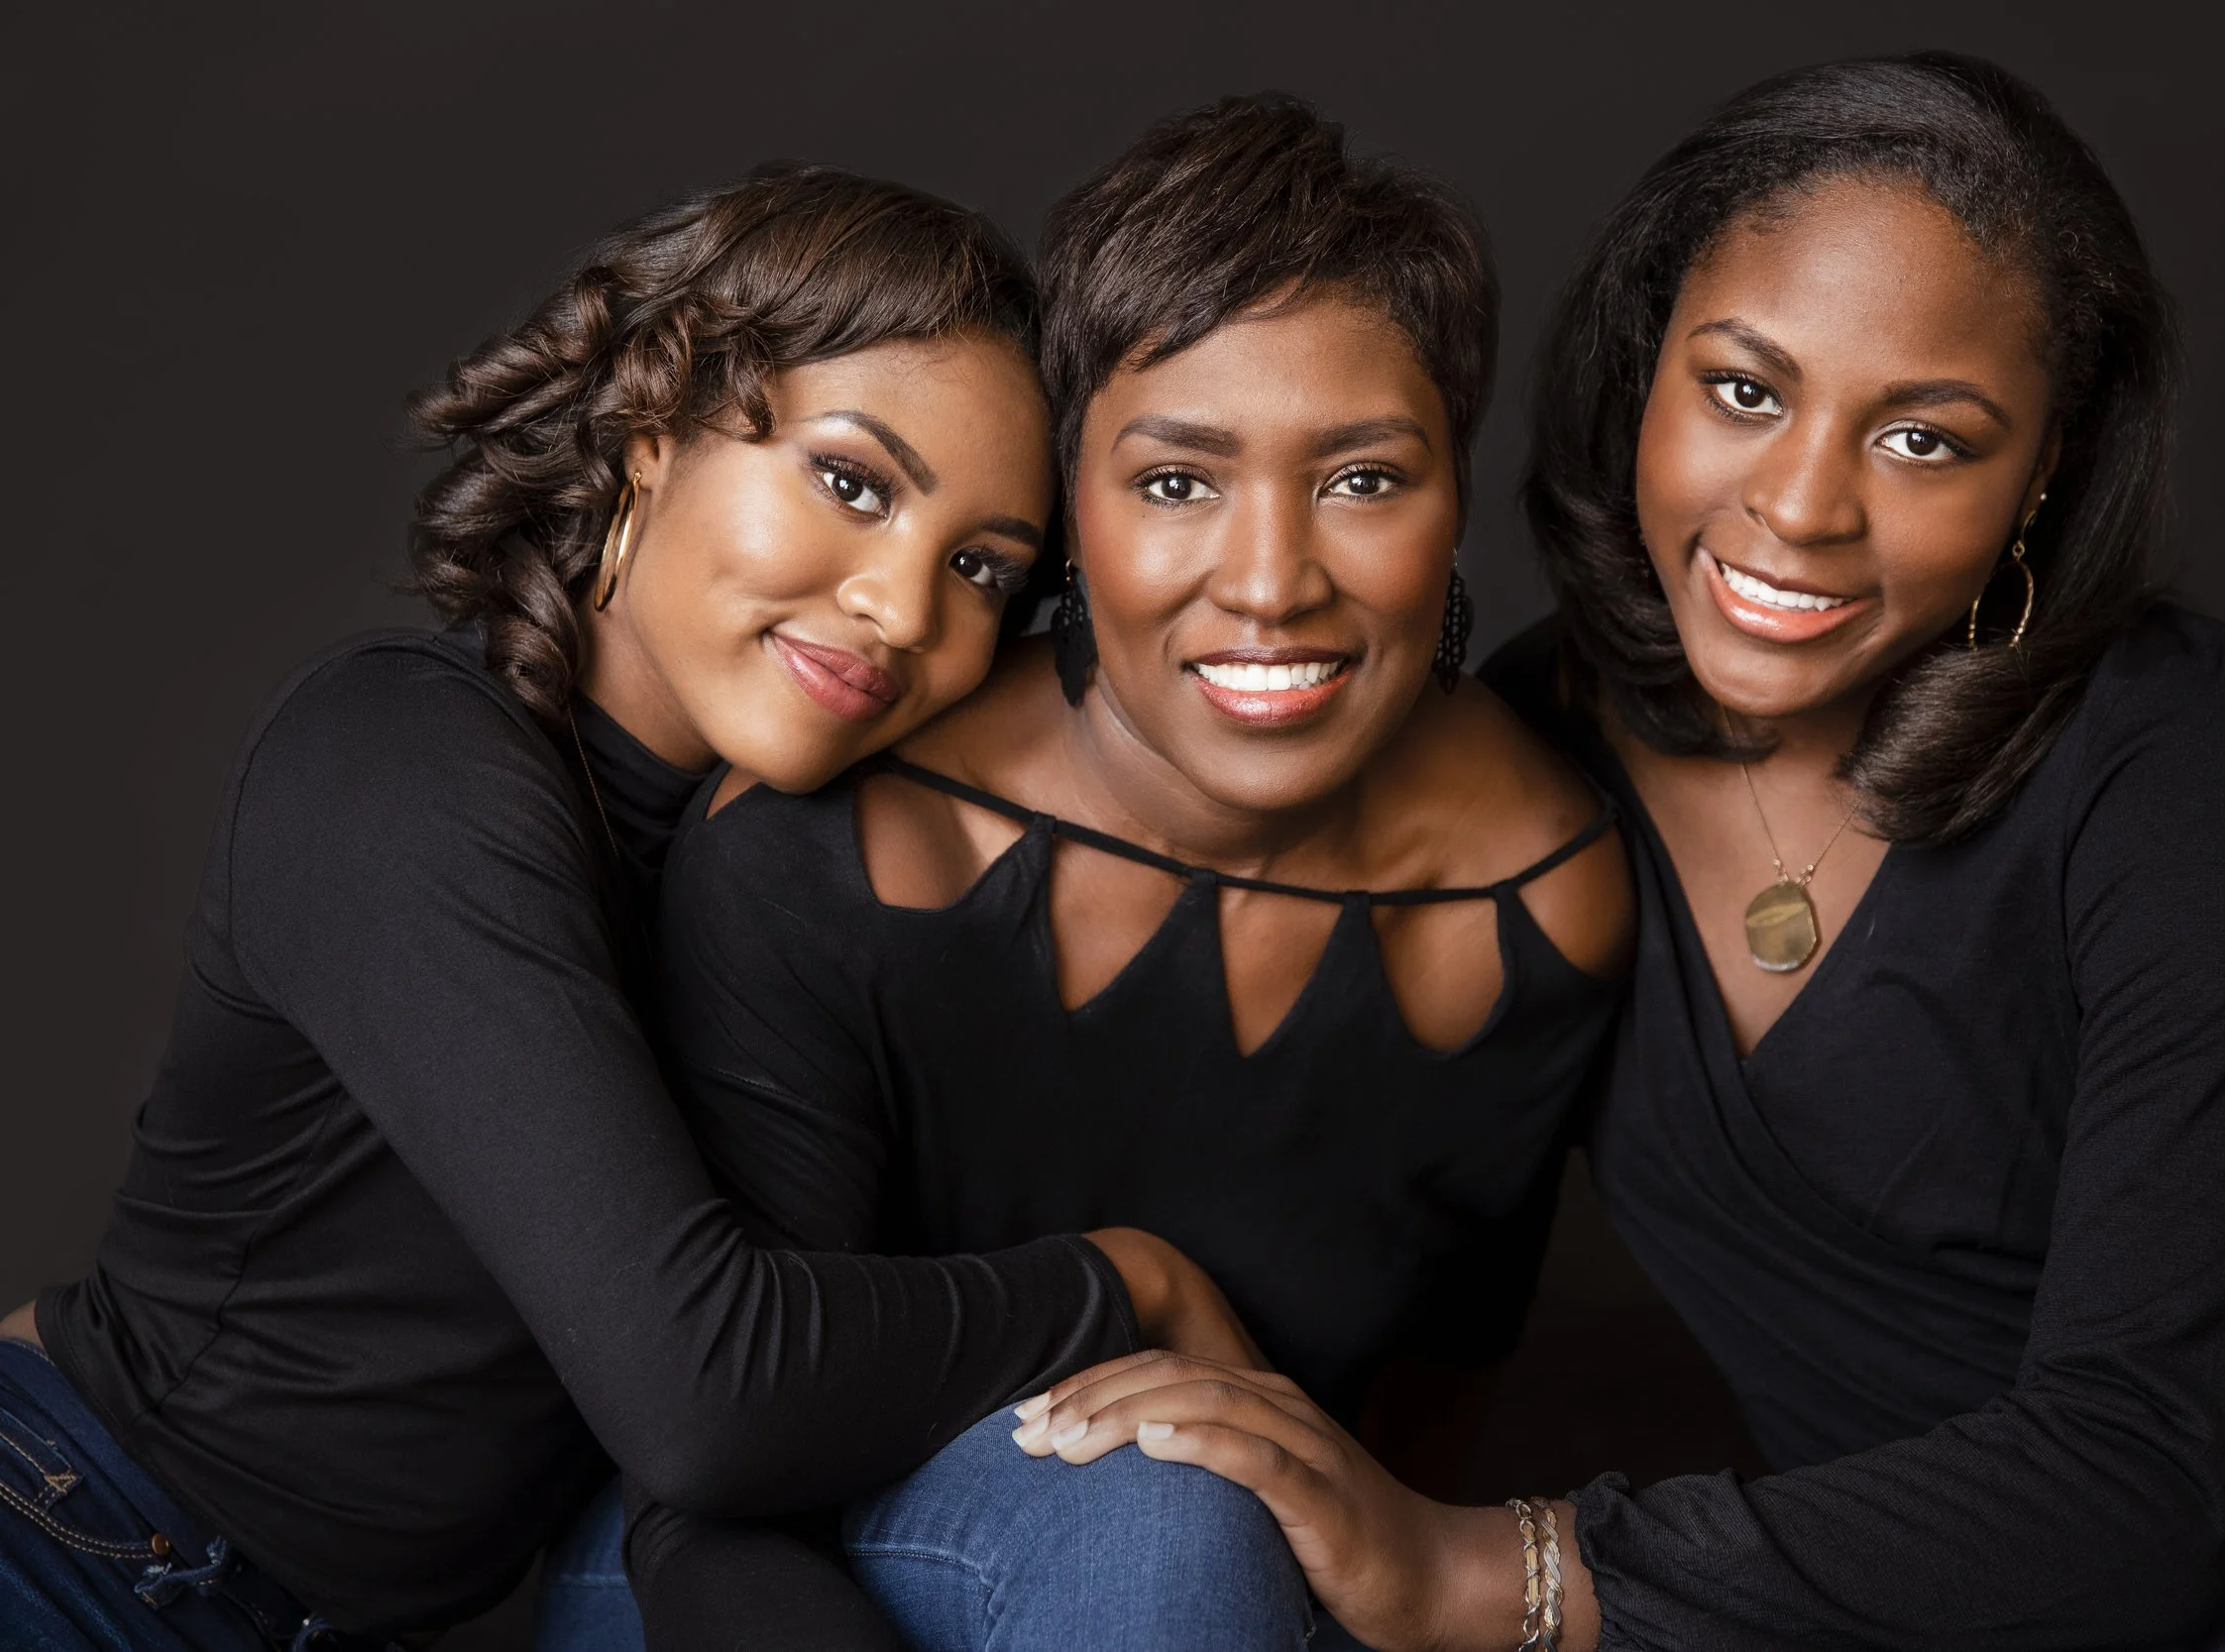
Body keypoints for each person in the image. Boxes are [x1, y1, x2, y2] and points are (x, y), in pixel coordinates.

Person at [1016, 53, 2225, 1651]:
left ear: (2046, 478)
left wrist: (1486, 1572)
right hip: (1878, 1586)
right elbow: (1408, 1240)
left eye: (1926, 440)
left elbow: (2148, 1484)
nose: (1800, 508)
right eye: (1744, 389)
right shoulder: (1513, 765)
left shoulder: (2184, 762)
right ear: (1645, 364)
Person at [0, 167, 1252, 1652]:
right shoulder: (401, 760)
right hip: (31, 1540)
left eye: (981, 568)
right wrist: (1128, 1283)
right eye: (854, 482)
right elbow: (711, 1391)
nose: (901, 604)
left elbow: (762, 1431)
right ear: (655, 425)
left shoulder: (792, 880)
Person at [584, 96, 1634, 1652]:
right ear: (1072, 503)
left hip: (1214, 1608)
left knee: (1199, 1513)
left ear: (1454, 502)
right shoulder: (833, 847)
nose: (1270, 583)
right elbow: (725, 1475)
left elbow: (1419, 1431)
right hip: (733, 1567)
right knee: (1164, 1500)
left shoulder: (1537, 902)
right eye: (1174, 481)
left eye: (1361, 479)